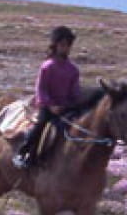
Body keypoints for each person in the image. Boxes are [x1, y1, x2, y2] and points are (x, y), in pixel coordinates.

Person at [12, 25, 81, 170]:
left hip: (65, 107)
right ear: (55, 45)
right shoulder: (48, 67)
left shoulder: (73, 69)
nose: (66, 48)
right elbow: (41, 88)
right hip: (48, 107)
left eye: (68, 45)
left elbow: (74, 91)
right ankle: (24, 153)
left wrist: (74, 103)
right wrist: (50, 105)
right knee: (40, 126)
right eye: (63, 45)